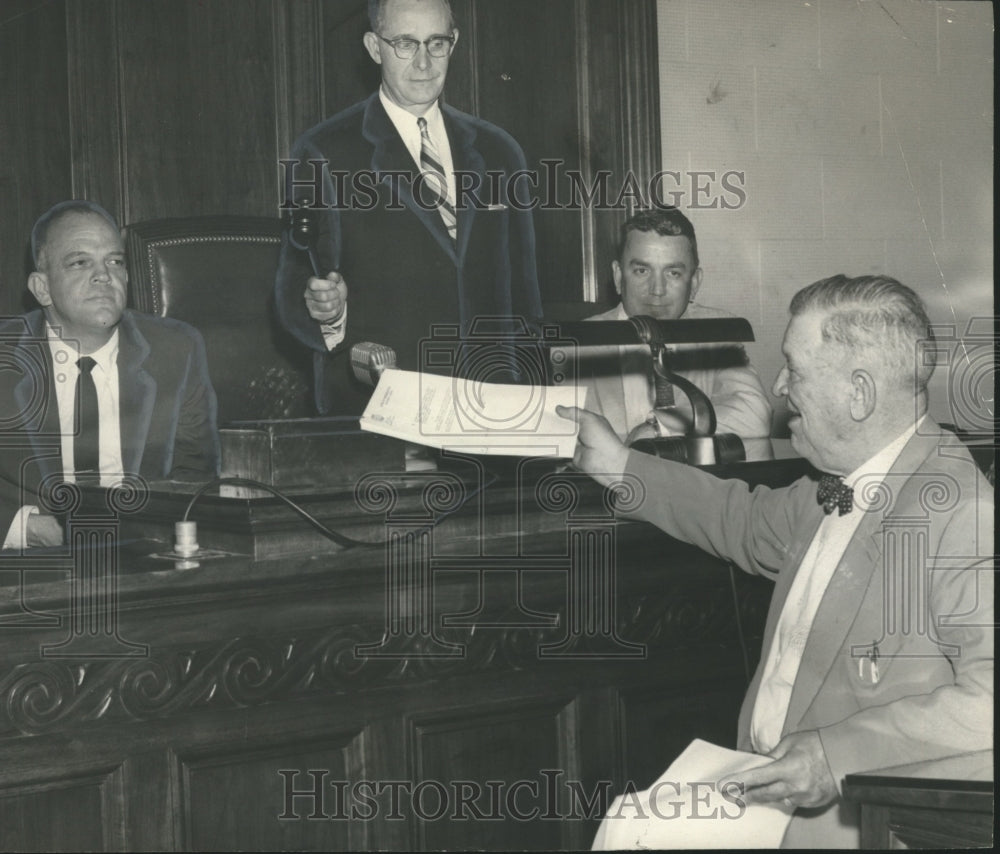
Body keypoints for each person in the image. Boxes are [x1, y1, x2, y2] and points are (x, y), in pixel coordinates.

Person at [559, 275, 993, 848]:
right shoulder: (833, 484)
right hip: (764, 794)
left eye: (796, 369)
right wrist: (619, 465)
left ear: (858, 394)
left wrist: (837, 756)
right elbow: (737, 517)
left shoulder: (959, 511)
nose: (781, 388)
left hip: (856, 825)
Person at [274, 0, 542, 415]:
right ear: (373, 46)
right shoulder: (322, 151)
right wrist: (328, 312)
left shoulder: (499, 151)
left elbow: (525, 299)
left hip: (491, 409)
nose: (423, 62)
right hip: (381, 410)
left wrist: (532, 404)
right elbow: (294, 288)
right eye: (404, 43)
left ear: (453, 45)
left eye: (436, 43)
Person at [1, 201, 220, 549]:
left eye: (115, 261)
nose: (104, 275)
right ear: (42, 288)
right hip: (29, 566)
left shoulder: (176, 349)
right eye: (79, 262)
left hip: (147, 559)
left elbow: (195, 477)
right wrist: (30, 529)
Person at [581, 207, 772, 457]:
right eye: (642, 271)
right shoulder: (578, 341)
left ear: (693, 284)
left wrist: (662, 428)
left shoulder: (717, 330)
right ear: (618, 277)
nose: (657, 290)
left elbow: (753, 414)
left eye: (673, 273)